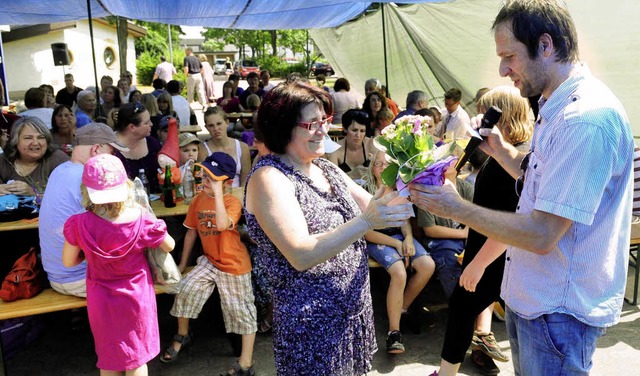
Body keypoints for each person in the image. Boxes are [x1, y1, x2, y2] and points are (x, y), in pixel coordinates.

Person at [411, 1, 633, 375]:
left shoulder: (585, 120)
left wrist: (456, 208)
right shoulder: (554, 105)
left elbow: (543, 233)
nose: (502, 69)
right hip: (533, 302)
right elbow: (538, 181)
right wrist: (501, 150)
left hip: (557, 313)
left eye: (509, 56)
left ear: (545, 45)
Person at [244, 81, 413, 375]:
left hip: (351, 312)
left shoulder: (325, 167)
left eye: (324, 120)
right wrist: (366, 222)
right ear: (283, 127)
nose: (323, 130)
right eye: (312, 124)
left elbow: (379, 206)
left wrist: (413, 171)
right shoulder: (269, 178)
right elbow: (301, 253)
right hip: (313, 326)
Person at [434, 86, 533, 376]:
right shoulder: (504, 154)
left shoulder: (515, 161)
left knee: (463, 308)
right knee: (467, 309)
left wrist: (477, 264)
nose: (480, 118)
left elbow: (509, 224)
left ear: (505, 116)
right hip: (487, 251)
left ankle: (446, 372)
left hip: (494, 256)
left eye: (486, 112)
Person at [62, 154, 175, 375]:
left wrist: (87, 253)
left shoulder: (78, 224)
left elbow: (68, 261)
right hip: (136, 296)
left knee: (109, 358)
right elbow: (169, 245)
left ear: (86, 190)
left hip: (101, 299)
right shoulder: (141, 219)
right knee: (136, 358)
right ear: (126, 185)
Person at [162, 153, 257, 375]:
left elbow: (223, 224)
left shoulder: (232, 201)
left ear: (228, 182)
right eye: (204, 176)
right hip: (210, 261)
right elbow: (191, 234)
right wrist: (182, 266)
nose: (205, 182)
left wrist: (217, 193)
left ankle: (246, 364)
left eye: (212, 179)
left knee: (242, 312)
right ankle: (183, 335)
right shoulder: (198, 200)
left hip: (234, 265)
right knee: (184, 288)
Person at [40, 122, 129, 298]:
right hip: (80, 278)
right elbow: (116, 224)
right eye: (112, 153)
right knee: (140, 268)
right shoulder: (86, 178)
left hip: (55, 275)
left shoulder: (60, 170)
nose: (114, 158)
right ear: (96, 150)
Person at [362, 149, 436, 354]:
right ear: (372, 167)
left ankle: (400, 308)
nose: (383, 168)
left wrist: (409, 239)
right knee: (399, 271)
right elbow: (367, 233)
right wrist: (396, 245)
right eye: (379, 164)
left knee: (427, 265)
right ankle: (394, 332)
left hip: (399, 235)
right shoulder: (366, 190)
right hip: (378, 238)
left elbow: (404, 222)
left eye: (387, 164)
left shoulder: (399, 189)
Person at [417, 160, 473, 299]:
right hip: (440, 241)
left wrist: (468, 240)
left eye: (450, 161)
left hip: (465, 238)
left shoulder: (466, 188)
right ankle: (458, 304)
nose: (445, 164)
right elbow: (430, 229)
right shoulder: (429, 190)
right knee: (449, 258)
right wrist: (463, 233)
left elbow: (475, 219)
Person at [0, 116, 69, 196]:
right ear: (16, 141)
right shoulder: (3, 161)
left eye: (41, 137)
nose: (35, 143)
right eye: (28, 138)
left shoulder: (58, 159)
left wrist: (34, 194)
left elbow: (68, 197)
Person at [113, 102, 162, 193]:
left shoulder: (153, 144)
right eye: (146, 122)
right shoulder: (111, 150)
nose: (151, 124)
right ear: (132, 127)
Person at [198, 106, 251, 188]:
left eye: (219, 124)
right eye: (211, 126)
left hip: (238, 195)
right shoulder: (203, 149)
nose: (216, 128)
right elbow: (201, 180)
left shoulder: (242, 147)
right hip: (213, 195)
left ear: (227, 122)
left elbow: (246, 181)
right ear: (207, 128)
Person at [326, 109, 375, 184]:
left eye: (362, 131)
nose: (358, 135)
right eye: (354, 130)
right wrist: (352, 174)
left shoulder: (372, 145)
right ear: (345, 129)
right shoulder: (335, 148)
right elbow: (332, 180)